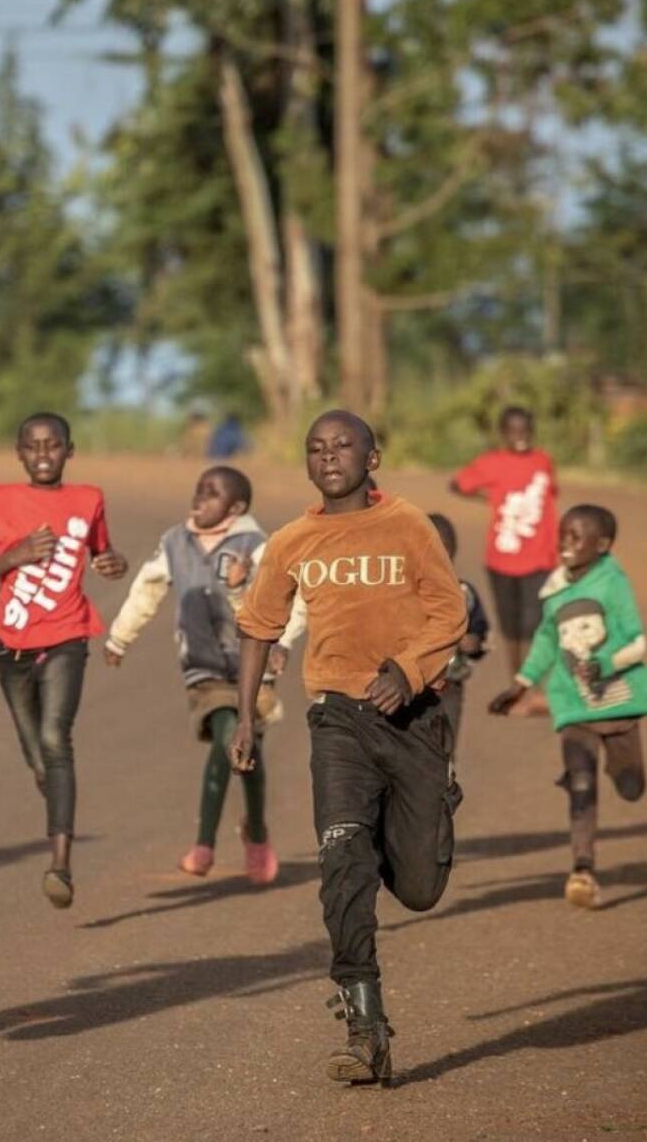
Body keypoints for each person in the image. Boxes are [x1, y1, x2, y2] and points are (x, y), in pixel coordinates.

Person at [231, 410, 466, 1087]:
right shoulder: (292, 541)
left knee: (419, 888)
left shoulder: (409, 526)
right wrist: (247, 717)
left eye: (343, 445)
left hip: (414, 719)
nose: (329, 455)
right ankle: (367, 1028)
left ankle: (425, 805)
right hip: (336, 718)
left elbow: (449, 611)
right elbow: (258, 628)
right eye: (316, 447)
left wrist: (408, 668)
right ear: (306, 463)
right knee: (342, 860)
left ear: (374, 456)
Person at [0, 413, 127, 909]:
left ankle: (60, 866)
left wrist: (115, 564)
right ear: (19, 452)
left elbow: (103, 554)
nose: (43, 454)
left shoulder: (88, 499)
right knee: (39, 760)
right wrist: (15, 556)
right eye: (33, 446)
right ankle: (54, 794)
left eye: (53, 445)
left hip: (68, 635)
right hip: (11, 647)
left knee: (54, 738)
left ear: (70, 450)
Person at [103, 466, 305, 883]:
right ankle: (205, 843)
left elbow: (292, 596)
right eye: (198, 491)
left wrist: (282, 643)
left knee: (249, 754)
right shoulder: (175, 542)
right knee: (228, 733)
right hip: (204, 668)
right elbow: (147, 587)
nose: (200, 499)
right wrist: (119, 637)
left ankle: (257, 832)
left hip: (254, 667)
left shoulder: (258, 546)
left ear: (236, 507)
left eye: (212, 494)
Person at [489, 505, 647, 910]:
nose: (565, 543)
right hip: (573, 704)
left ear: (602, 545)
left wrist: (604, 663)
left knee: (631, 786)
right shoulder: (555, 587)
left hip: (618, 702)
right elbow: (547, 640)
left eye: (576, 537)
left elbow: (637, 642)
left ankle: (623, 768)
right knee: (580, 781)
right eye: (563, 534)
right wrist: (522, 684)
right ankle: (583, 868)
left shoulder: (613, 583)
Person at [450, 405, 558, 673]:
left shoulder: (543, 461)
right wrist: (487, 498)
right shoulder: (491, 462)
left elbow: (549, 497)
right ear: (503, 433)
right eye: (513, 431)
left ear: (532, 431)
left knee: (533, 621)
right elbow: (457, 484)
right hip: (502, 558)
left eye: (524, 430)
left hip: (540, 555)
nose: (519, 436)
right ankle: (516, 680)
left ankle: (529, 680)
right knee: (510, 625)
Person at [427, 512, 489, 756]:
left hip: (449, 686)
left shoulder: (464, 593)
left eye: (445, 547)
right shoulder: (401, 592)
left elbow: (480, 628)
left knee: (444, 745)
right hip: (408, 688)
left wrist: (474, 643)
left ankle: (441, 789)